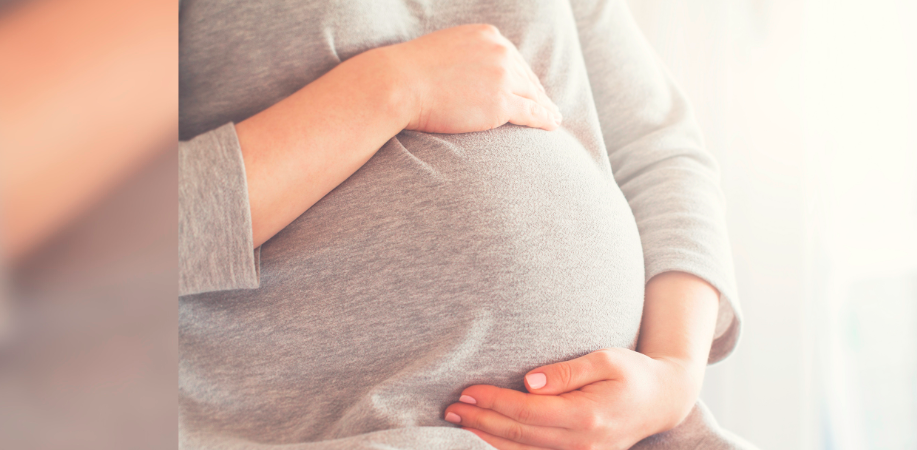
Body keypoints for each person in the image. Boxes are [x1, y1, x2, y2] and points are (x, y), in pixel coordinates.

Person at [179, 1, 751, 448]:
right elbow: (106, 240)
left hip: (636, 436)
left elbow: (660, 152)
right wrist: (396, 86)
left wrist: (673, 380)